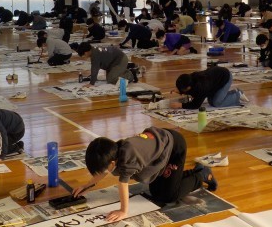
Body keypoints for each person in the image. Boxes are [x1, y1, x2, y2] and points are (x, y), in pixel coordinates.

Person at [73, 127, 217, 222]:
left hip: (174, 148)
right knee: (156, 192)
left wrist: (123, 211)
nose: (105, 173)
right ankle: (192, 172)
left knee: (169, 196)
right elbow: (103, 171)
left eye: (106, 169)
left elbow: (123, 184)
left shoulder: (128, 157)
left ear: (111, 163)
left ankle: (202, 175)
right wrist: (87, 185)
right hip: (160, 147)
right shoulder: (113, 151)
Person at [171, 66, 247, 109]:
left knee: (217, 103)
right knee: (211, 102)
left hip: (225, 78)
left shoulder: (201, 87)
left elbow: (196, 105)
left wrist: (181, 105)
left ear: (188, 87)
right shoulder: (189, 79)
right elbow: (192, 91)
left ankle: (238, 95)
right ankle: (233, 92)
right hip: (214, 82)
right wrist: (179, 91)